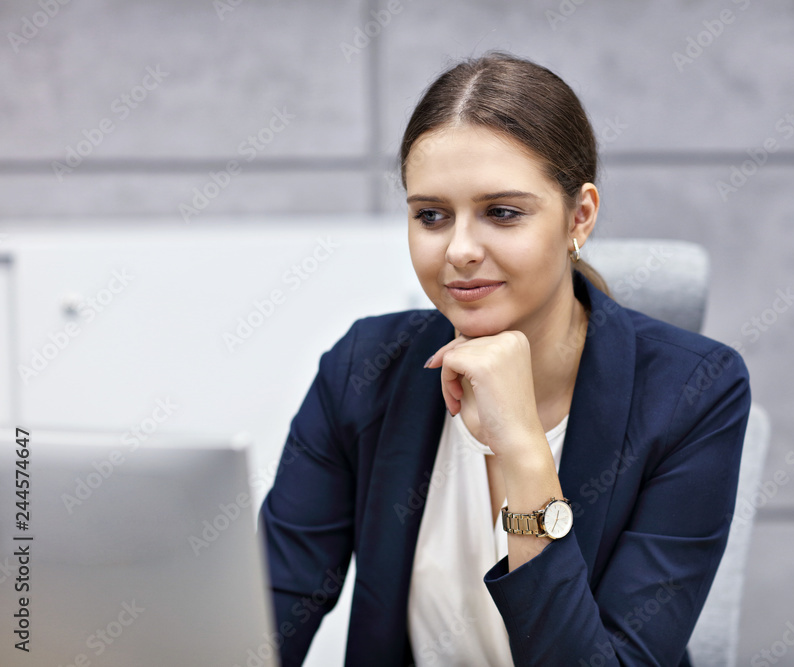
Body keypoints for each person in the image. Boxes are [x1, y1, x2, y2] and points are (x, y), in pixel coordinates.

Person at [259, 52, 751, 667]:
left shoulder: (696, 390)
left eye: (502, 212)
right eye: (431, 215)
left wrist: (522, 448)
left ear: (580, 216)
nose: (460, 250)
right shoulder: (364, 369)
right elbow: (262, 624)